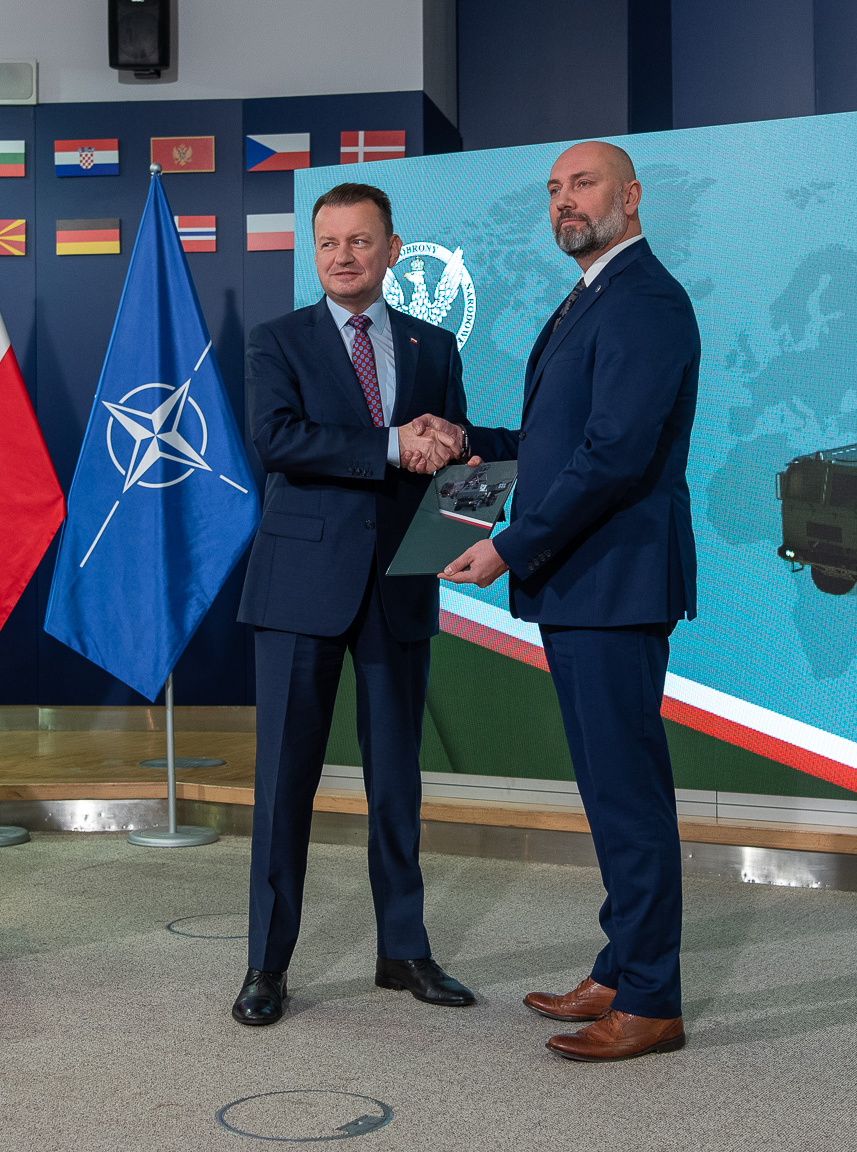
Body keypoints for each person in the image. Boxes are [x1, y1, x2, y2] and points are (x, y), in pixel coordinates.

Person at [439, 141, 700, 1061]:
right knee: (607, 788)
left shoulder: (645, 300)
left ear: (632, 195)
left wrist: (507, 546)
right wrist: (471, 440)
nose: (564, 201)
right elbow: (561, 440)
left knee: (628, 795)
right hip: (584, 585)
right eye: (553, 190)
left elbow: (615, 457)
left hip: (613, 585)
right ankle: (622, 967)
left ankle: (652, 1001)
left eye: (582, 185)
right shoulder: (592, 295)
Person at [232, 181, 476, 1026]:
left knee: (397, 781)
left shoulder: (433, 345)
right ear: (314, 251)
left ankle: (402, 950)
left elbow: (451, 459)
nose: (343, 256)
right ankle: (267, 966)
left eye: (360, 241)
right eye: (328, 242)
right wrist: (391, 443)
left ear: (392, 250)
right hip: (300, 587)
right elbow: (277, 440)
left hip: (401, 584)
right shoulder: (276, 340)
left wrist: (458, 531)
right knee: (283, 785)